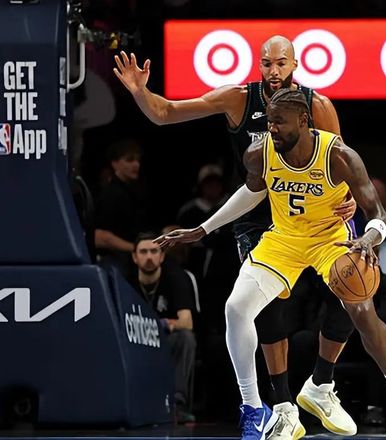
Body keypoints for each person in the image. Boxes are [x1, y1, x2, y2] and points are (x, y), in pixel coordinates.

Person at [114, 36, 357, 437]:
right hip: (258, 210)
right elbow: (165, 113)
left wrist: (350, 198)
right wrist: (141, 92)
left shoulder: (317, 105)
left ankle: (322, 384)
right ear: (258, 65)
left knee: (350, 289)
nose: (273, 71)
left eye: (281, 63)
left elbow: (343, 162)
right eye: (266, 63)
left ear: (295, 64)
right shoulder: (238, 99)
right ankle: (281, 406)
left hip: (313, 212)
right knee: (266, 306)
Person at [155, 89, 386, 440]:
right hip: (284, 239)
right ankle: (253, 407)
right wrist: (204, 228)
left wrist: (368, 238)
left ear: (303, 121)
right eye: (269, 121)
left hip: (330, 239)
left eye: (279, 122)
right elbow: (252, 191)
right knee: (236, 309)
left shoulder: (338, 155)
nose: (271, 128)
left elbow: (378, 214)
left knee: (362, 310)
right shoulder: (259, 151)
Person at [128, 232, 198, 423]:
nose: (149, 257)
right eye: (143, 252)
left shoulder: (176, 278)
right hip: (134, 339)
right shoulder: (125, 280)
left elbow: (187, 322)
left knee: (186, 338)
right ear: (134, 257)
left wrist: (164, 324)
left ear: (162, 256)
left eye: (154, 251)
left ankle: (177, 404)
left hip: (166, 338)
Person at [94, 139, 150, 271]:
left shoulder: (135, 191)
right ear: (114, 164)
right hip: (117, 261)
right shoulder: (110, 195)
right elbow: (101, 237)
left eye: (138, 160)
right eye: (129, 160)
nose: (136, 164)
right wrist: (137, 249)